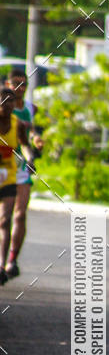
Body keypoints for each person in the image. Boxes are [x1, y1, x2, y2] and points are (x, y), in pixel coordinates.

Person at [3, 67, 40, 278]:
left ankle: (11, 260)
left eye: (23, 84)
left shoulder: (30, 109)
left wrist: (34, 148)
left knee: (19, 214)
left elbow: (32, 133)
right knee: (3, 218)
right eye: (15, 83)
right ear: (7, 85)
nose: (19, 88)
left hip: (20, 169)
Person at [0, 87, 33, 284]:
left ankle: (2, 265)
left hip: (9, 177)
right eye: (4, 100)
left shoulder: (17, 124)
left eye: (11, 101)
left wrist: (30, 159)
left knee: (5, 220)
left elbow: (26, 145)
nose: (8, 104)